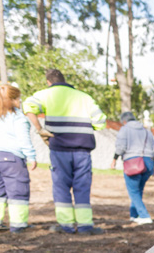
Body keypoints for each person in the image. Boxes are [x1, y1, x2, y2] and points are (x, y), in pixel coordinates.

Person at [23, 68, 106, 235]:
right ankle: (85, 226)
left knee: (61, 186)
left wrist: (39, 129)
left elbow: (28, 106)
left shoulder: (46, 94)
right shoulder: (84, 97)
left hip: (59, 148)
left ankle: (66, 225)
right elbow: (100, 121)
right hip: (82, 149)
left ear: (48, 82)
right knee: (82, 186)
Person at [0, 85, 36, 233]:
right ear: (13, 99)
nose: (20, 101)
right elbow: (24, 140)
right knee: (18, 190)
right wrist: (31, 156)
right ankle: (18, 225)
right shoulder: (18, 117)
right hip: (9, 158)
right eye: (18, 98)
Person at [109, 111, 154, 226]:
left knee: (133, 191)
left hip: (133, 162)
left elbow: (121, 146)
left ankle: (144, 216)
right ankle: (134, 215)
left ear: (124, 121)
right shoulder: (147, 131)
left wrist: (114, 159)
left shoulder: (125, 129)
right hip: (148, 163)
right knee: (138, 190)